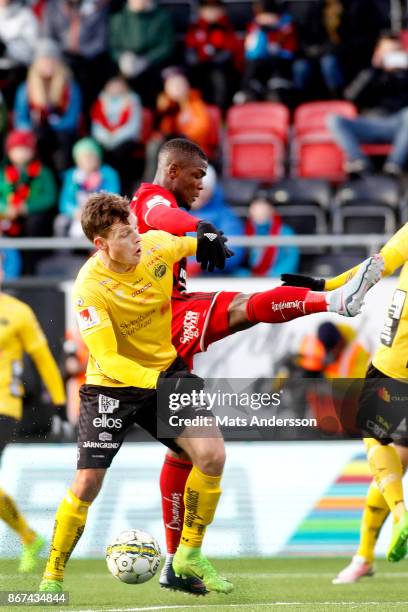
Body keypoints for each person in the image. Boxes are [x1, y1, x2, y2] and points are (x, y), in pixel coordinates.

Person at [130, 137, 384, 593]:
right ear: (172, 172)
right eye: (196, 177)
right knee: (247, 305)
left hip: (168, 335)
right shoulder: (152, 199)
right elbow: (161, 217)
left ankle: (175, 563)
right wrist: (201, 226)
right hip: (162, 319)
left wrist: (198, 231)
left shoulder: (162, 202)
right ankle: (335, 300)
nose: (200, 187)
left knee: (184, 452)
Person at [39, 192, 233, 595]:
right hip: (112, 387)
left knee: (212, 456)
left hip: (166, 371)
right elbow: (107, 358)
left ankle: (189, 555)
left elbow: (183, 241)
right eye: (126, 235)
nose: (138, 240)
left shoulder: (154, 246)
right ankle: (53, 574)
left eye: (136, 229)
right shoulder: (90, 288)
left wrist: (206, 235)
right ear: (101, 244)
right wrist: (155, 384)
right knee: (88, 481)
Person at [281, 221, 408, 576]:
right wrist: (326, 284)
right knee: (394, 461)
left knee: (379, 448)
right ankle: (364, 558)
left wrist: (327, 285)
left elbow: (376, 266)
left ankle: (400, 517)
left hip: (395, 364)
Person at [0, 254, 66, 572]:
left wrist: (60, 399)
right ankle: (29, 537)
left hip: (4, 405)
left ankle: (29, 537)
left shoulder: (17, 312)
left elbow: (42, 358)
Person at [327, 32, 408, 177]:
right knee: (334, 120)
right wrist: (374, 70)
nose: (391, 56)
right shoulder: (369, 74)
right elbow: (350, 97)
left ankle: (394, 166)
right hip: (370, 123)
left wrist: (402, 75)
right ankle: (359, 162)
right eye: (387, 52)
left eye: (395, 52)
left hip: (399, 125)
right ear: (378, 53)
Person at [13, 38, 82, 172]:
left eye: (52, 60)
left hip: (62, 133)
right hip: (37, 133)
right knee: (37, 139)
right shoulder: (27, 88)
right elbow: (20, 118)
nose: (48, 64)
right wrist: (32, 127)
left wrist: (52, 125)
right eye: (44, 60)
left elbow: (72, 118)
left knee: (61, 145)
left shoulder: (69, 87)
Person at [108, 0, 175, 108]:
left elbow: (166, 46)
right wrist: (122, 58)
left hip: (153, 67)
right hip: (125, 67)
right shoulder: (118, 19)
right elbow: (112, 47)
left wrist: (147, 60)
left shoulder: (161, 17)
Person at [185, 164, 245, 275]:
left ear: (212, 190)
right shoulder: (173, 211)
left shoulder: (226, 216)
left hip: (212, 279)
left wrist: (200, 266)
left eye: (202, 188)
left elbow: (233, 252)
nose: (196, 192)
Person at [56, 137, 120, 238]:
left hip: (101, 212)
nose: (88, 160)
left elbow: (112, 196)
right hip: (77, 212)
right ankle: (64, 253)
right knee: (60, 222)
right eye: (84, 157)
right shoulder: (72, 176)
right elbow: (65, 202)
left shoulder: (108, 174)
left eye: (92, 156)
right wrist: (75, 212)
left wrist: (95, 212)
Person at [90, 75, 143, 195]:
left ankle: (124, 191)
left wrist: (115, 137)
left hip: (125, 140)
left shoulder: (132, 101)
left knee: (122, 156)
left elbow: (133, 126)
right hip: (104, 140)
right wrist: (106, 137)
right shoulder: (100, 103)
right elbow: (97, 125)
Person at [185, 0, 241, 110]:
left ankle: (220, 112)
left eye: (215, 9)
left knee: (219, 78)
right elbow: (190, 49)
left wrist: (215, 59)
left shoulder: (226, 28)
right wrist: (196, 59)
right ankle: (198, 110)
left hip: (220, 67)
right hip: (200, 67)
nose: (212, 13)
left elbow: (230, 50)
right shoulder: (195, 28)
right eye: (208, 9)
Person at [241, 190, 299, 277]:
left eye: (264, 207)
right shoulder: (243, 231)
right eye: (256, 207)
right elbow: (237, 261)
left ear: (272, 209)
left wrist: (271, 276)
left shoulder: (285, 232)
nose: (260, 211)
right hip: (248, 282)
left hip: (275, 280)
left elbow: (290, 259)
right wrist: (247, 275)